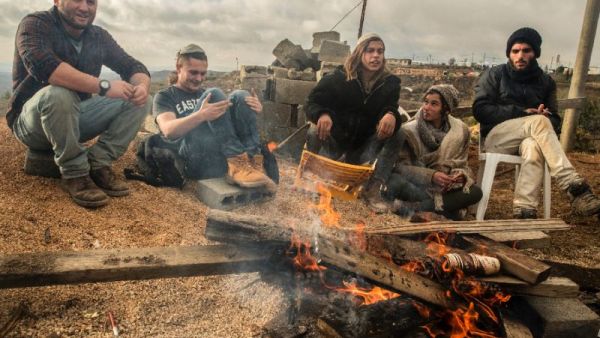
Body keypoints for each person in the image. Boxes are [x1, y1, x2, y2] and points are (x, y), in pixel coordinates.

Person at [7, 0, 152, 208]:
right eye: (77, 0)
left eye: (91, 2)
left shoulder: (98, 36)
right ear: (57, 1)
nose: (85, 8)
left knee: (144, 99)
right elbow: (45, 68)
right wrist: (103, 86)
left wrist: (141, 86)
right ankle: (75, 174)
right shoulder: (35, 24)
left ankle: (97, 162)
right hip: (31, 124)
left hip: (74, 118)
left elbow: (132, 65)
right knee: (58, 93)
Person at [473, 27, 600, 219]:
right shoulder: (495, 75)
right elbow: (480, 110)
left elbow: (555, 120)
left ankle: (524, 210)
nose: (520, 56)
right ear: (509, 53)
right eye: (515, 51)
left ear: (535, 53)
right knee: (538, 123)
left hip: (530, 139)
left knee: (533, 145)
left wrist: (547, 117)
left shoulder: (546, 81)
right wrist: (522, 113)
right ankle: (574, 187)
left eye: (526, 50)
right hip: (497, 138)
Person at [153, 44, 277, 188]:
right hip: (191, 158)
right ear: (178, 68)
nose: (199, 78)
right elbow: (168, 130)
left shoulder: (204, 94)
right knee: (216, 93)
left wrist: (254, 110)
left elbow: (228, 129)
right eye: (193, 72)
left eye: (203, 73)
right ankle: (237, 164)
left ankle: (250, 161)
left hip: (217, 157)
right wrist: (201, 115)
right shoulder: (165, 96)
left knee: (241, 96)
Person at [305, 33, 404, 213]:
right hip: (334, 144)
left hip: (363, 151)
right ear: (359, 53)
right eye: (370, 51)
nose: (376, 56)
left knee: (399, 132)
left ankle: (373, 190)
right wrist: (322, 114)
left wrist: (391, 114)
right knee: (314, 128)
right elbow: (312, 102)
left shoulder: (390, 83)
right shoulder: (339, 77)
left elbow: (391, 106)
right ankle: (309, 177)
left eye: (380, 51)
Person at [389, 85, 482, 220]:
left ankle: (415, 208)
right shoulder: (410, 131)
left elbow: (463, 163)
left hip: (445, 190)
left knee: (475, 192)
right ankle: (443, 209)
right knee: (394, 182)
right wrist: (432, 176)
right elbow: (399, 168)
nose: (426, 107)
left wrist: (459, 176)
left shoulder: (460, 131)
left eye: (434, 104)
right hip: (417, 187)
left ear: (446, 109)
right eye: (426, 102)